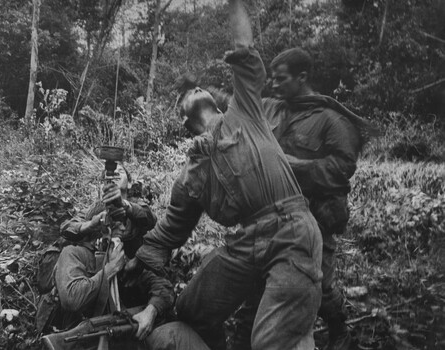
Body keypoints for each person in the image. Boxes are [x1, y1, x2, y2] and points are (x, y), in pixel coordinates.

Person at [124, 1, 323, 349]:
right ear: (184, 122)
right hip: (248, 242)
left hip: (292, 229)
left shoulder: (244, 111)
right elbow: (169, 230)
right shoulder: (190, 177)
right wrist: (130, 263)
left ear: (216, 104)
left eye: (196, 87)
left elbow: (244, 48)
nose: (192, 89)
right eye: (184, 95)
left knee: (273, 341)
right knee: (189, 311)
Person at [230, 48, 379, 350]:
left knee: (319, 285)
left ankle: (340, 334)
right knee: (259, 281)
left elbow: (342, 169)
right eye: (271, 79)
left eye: (281, 79)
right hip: (273, 214)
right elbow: (239, 106)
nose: (273, 84)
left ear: (302, 77)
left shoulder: (331, 120)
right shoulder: (271, 108)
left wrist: (296, 165)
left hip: (317, 217)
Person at [54, 163, 210, 349]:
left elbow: (162, 286)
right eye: (110, 221)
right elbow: (72, 299)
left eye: (123, 223)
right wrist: (110, 268)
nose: (118, 229)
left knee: (179, 333)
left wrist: (150, 312)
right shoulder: (76, 254)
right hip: (90, 340)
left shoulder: (130, 252)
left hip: (130, 331)